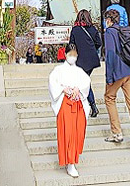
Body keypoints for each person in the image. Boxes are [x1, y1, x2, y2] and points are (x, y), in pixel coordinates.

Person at [103, 8, 130, 154]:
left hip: (118, 72)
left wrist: (109, 77)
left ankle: (117, 133)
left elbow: (110, 54)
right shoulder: (129, 31)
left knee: (109, 98)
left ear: (108, 20)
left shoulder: (110, 32)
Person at [48, 44, 91, 178]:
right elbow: (52, 82)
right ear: (65, 55)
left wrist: (78, 89)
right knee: (67, 133)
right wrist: (63, 89)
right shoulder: (58, 70)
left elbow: (86, 81)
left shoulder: (79, 71)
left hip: (77, 104)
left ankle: (73, 160)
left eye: (74, 54)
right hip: (65, 104)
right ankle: (70, 162)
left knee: (77, 133)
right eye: (70, 54)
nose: (72, 57)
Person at [68, 9, 103, 117]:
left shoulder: (75, 30)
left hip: (80, 60)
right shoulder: (93, 29)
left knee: (83, 82)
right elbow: (99, 43)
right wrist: (92, 49)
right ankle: (91, 105)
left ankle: (92, 105)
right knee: (84, 81)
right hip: (91, 60)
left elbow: (71, 44)